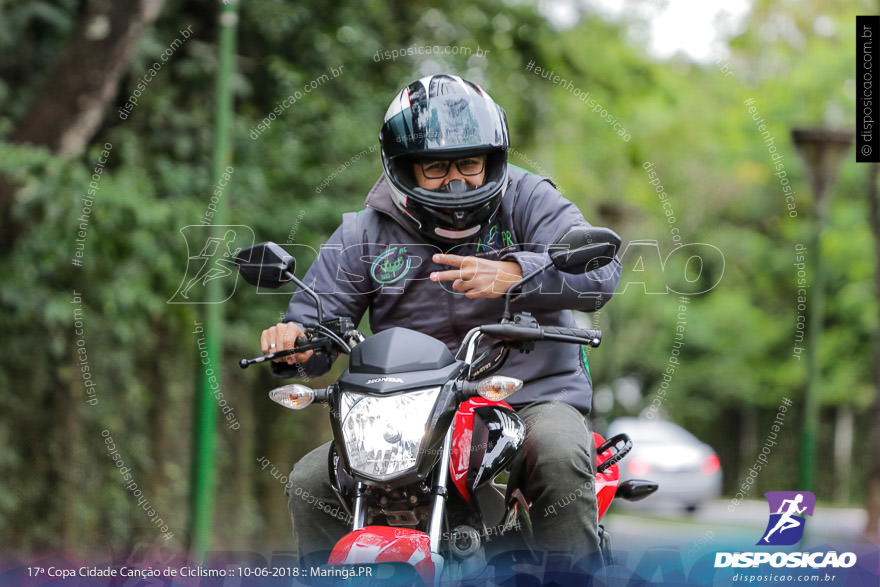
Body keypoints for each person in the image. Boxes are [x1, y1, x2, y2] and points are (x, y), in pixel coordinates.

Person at [260, 74, 622, 568]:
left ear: (491, 159)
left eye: (470, 163)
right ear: (404, 168)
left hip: (528, 397)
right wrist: (296, 343)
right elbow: (316, 321)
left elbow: (600, 273)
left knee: (559, 454)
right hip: (409, 419)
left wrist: (516, 275)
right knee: (308, 482)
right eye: (435, 167)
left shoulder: (528, 198)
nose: (457, 180)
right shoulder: (363, 232)